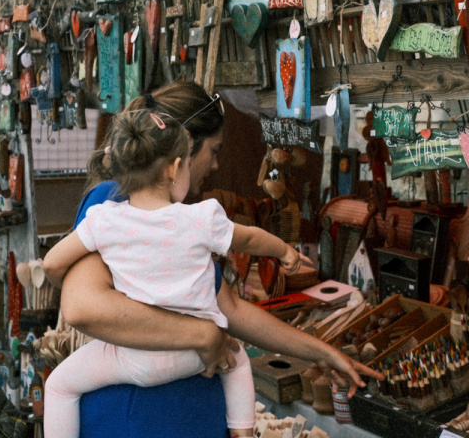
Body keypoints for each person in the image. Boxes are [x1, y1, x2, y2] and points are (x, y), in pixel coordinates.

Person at [57, 82, 380, 438]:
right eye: (213, 150)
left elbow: (233, 310)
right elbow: (81, 307)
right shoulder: (113, 201)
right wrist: (202, 333)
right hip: (140, 420)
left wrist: (321, 352)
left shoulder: (181, 223)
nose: (215, 163)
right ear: (183, 151)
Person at [42, 109, 310, 438]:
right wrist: (285, 251)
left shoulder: (103, 219)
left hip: (136, 360)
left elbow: (52, 263)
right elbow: (251, 239)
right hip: (197, 358)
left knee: (59, 387)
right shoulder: (203, 217)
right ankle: (242, 432)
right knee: (237, 360)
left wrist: (65, 282)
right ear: (174, 168)